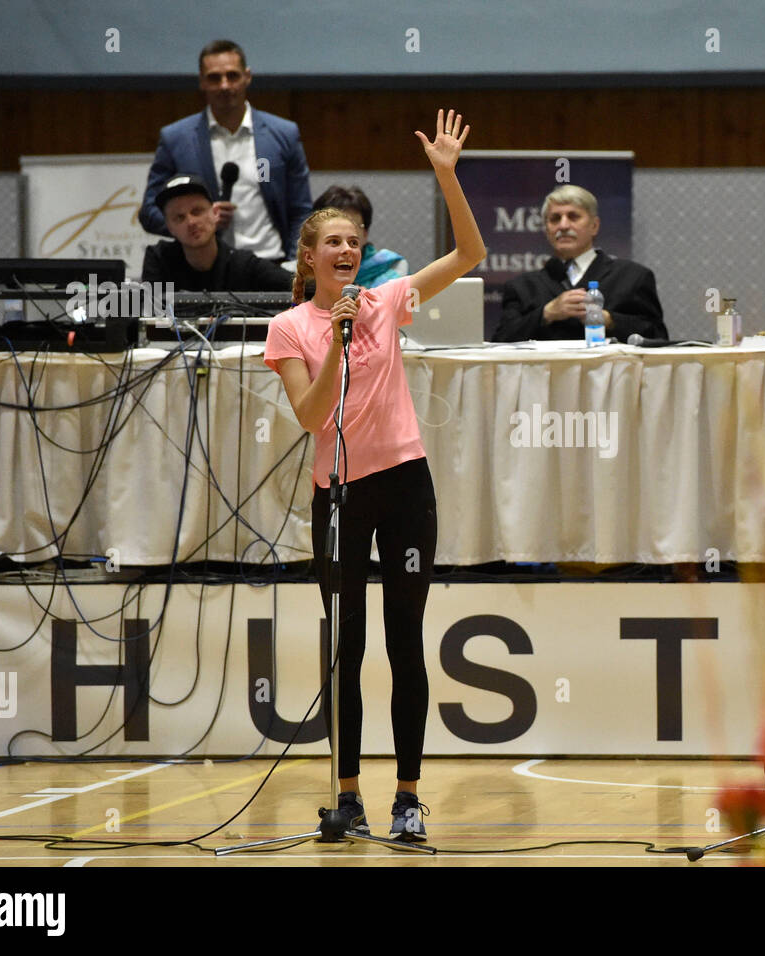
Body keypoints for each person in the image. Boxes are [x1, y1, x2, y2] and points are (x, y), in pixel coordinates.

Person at [263, 110, 485, 840]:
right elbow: (310, 414)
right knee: (345, 644)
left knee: (404, 639)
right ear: (309, 258)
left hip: (404, 487)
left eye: (356, 242)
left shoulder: (390, 302)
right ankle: (349, 794)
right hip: (340, 496)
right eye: (334, 242)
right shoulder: (291, 327)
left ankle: (409, 798)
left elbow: (469, 252)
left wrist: (447, 177)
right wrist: (337, 339)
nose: (348, 250)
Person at [139, 39, 313, 263]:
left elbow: (301, 210)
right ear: (202, 81)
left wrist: (293, 264)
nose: (224, 85)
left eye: (232, 76)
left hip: (271, 263)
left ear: (247, 77)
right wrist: (195, 224)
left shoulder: (283, 134)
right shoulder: (176, 139)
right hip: (204, 269)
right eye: (214, 78)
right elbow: (149, 212)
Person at [492, 185, 666, 342]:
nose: (564, 225)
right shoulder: (521, 287)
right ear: (546, 229)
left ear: (594, 226)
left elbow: (658, 336)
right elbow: (501, 341)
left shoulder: (633, 277)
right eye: (555, 219)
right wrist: (546, 313)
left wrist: (608, 320)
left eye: (573, 217)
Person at [140, 174, 293, 291]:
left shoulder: (242, 264)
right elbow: (142, 314)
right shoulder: (160, 260)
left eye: (197, 211)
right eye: (179, 217)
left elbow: (301, 286)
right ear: (169, 227)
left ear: (215, 213)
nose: (191, 222)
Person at [311, 185, 408, 288]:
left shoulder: (392, 265)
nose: (345, 247)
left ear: (365, 233)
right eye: (333, 227)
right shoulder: (298, 271)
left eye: (351, 226)